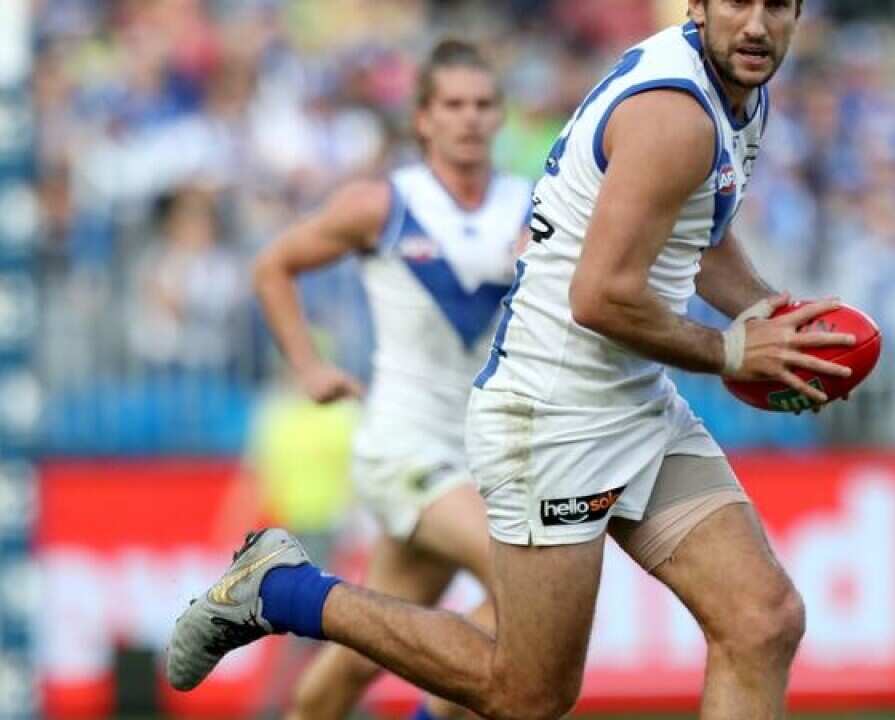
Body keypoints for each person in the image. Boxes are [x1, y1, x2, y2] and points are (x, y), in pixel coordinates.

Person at [168, 3, 858, 718]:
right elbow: (600, 299)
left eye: (776, 3)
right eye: (737, 1)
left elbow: (696, 233)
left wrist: (770, 314)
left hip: (627, 399)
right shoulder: (673, 115)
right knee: (527, 694)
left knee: (762, 618)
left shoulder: (735, 96)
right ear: (697, 5)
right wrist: (733, 349)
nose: (755, 24)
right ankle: (282, 589)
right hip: (549, 417)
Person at [243, 40, 531, 720]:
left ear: (501, 117)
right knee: (528, 588)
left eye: (484, 105)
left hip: (484, 457)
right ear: (423, 118)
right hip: (403, 446)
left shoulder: (535, 207)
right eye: (453, 104)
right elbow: (273, 266)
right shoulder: (383, 204)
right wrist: (308, 366)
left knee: (369, 651)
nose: (469, 118)